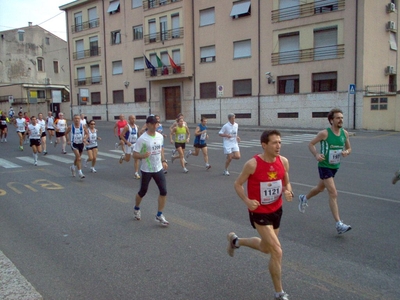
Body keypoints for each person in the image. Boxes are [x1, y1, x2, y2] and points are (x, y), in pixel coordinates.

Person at [227, 129, 293, 300]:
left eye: (280, 142)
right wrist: (247, 201)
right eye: (274, 143)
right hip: (259, 212)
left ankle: (236, 241)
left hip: (276, 210)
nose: (278, 146)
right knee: (277, 251)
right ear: (264, 145)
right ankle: (279, 293)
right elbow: (238, 184)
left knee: (266, 248)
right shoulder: (252, 164)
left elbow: (286, 181)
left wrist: (288, 191)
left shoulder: (283, 161)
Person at [298, 108, 352, 234]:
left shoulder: (345, 133)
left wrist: (346, 152)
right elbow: (311, 144)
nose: (341, 120)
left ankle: (304, 198)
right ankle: (339, 224)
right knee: (333, 193)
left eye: (342, 118)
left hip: (335, 167)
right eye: (338, 118)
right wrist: (316, 154)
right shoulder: (324, 133)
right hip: (324, 166)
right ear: (331, 120)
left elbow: (349, 148)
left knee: (320, 188)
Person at [132, 115, 169, 226]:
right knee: (143, 192)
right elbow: (134, 154)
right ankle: (136, 208)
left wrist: (164, 160)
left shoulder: (159, 136)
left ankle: (159, 215)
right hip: (147, 169)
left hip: (158, 168)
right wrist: (142, 155)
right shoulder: (142, 139)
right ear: (147, 124)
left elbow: (161, 149)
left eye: (156, 123)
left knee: (164, 191)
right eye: (152, 123)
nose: (154, 125)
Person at [66, 114, 88, 179]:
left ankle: (73, 167)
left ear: (80, 120)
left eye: (78, 118)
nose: (77, 120)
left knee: (77, 158)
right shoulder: (70, 127)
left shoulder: (83, 126)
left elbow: (87, 134)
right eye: (75, 118)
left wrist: (85, 138)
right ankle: (80, 173)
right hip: (74, 144)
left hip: (81, 144)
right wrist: (68, 140)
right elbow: (66, 133)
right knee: (79, 158)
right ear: (73, 119)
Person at [119, 115, 141, 179]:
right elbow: (121, 135)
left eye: (134, 118)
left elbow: (138, 135)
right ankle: (123, 157)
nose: (133, 120)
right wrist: (126, 142)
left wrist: (140, 141)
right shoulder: (127, 127)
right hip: (128, 144)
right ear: (129, 119)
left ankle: (136, 173)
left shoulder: (136, 126)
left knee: (136, 158)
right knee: (128, 159)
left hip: (135, 144)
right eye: (132, 119)